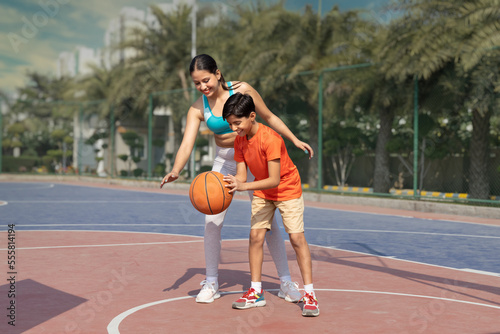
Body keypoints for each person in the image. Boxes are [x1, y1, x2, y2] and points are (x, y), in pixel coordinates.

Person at [160, 54, 314, 304]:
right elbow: (187, 142)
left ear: (218, 74)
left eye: (206, 80)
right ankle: (211, 282)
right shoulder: (198, 108)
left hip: (255, 158)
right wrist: (177, 169)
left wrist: (294, 139)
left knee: (268, 222)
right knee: (212, 220)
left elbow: (269, 117)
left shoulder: (242, 90)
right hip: (225, 160)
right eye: (197, 83)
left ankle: (285, 282)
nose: (203, 87)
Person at [222, 92, 319, 317]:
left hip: (287, 187)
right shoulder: (239, 141)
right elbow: (241, 177)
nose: (234, 128)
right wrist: (231, 184)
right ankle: (256, 291)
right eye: (230, 124)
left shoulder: (271, 139)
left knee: (296, 238)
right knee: (255, 236)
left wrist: (243, 186)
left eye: (237, 123)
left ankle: (310, 294)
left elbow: (274, 179)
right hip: (262, 190)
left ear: (252, 116)